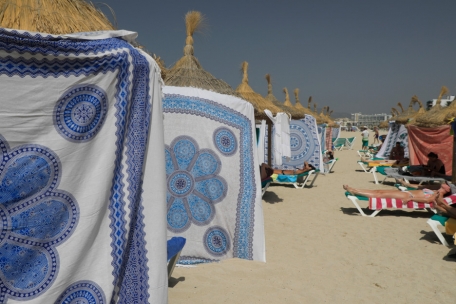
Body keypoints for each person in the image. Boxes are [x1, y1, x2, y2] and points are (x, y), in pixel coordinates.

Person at [343, 182, 451, 203]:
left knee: (379, 195)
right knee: (379, 191)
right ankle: (354, 189)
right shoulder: (435, 190)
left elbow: (428, 200)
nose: (447, 183)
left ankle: (356, 192)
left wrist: (411, 198)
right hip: (407, 192)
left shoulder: (438, 194)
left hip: (408, 195)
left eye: (448, 185)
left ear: (447, 190)